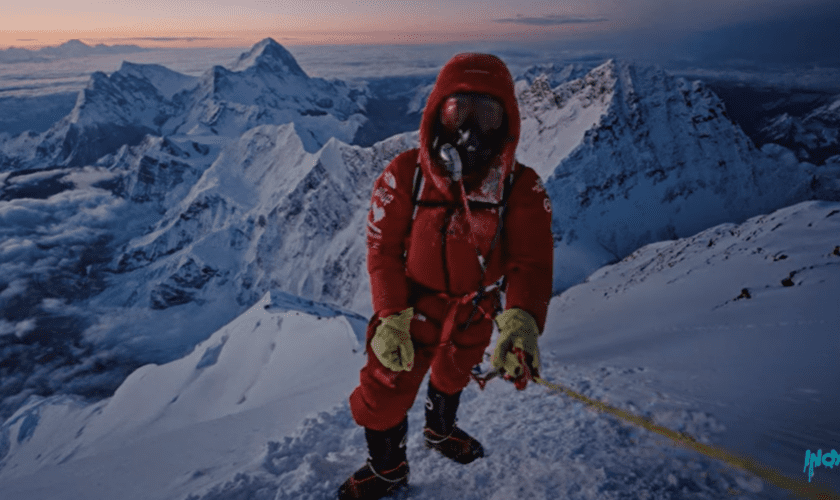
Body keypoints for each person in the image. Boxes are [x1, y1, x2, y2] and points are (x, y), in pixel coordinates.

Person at [338, 52, 553, 500]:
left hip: (476, 306)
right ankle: (388, 467)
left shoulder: (521, 188)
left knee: (454, 373)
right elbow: (382, 251)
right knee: (385, 389)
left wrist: (521, 321)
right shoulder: (404, 176)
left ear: (506, 122)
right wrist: (391, 313)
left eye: (487, 115)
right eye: (460, 112)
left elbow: (530, 263)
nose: (471, 131)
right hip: (412, 303)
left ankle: (439, 430)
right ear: (438, 114)